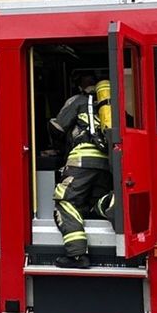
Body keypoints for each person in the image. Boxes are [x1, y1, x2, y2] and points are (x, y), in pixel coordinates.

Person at [49, 78, 115, 269]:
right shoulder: (113, 104)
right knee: (94, 202)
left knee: (66, 201)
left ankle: (77, 255)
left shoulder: (78, 100)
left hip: (81, 160)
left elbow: (57, 127)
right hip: (107, 162)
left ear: (80, 86)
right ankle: (114, 205)